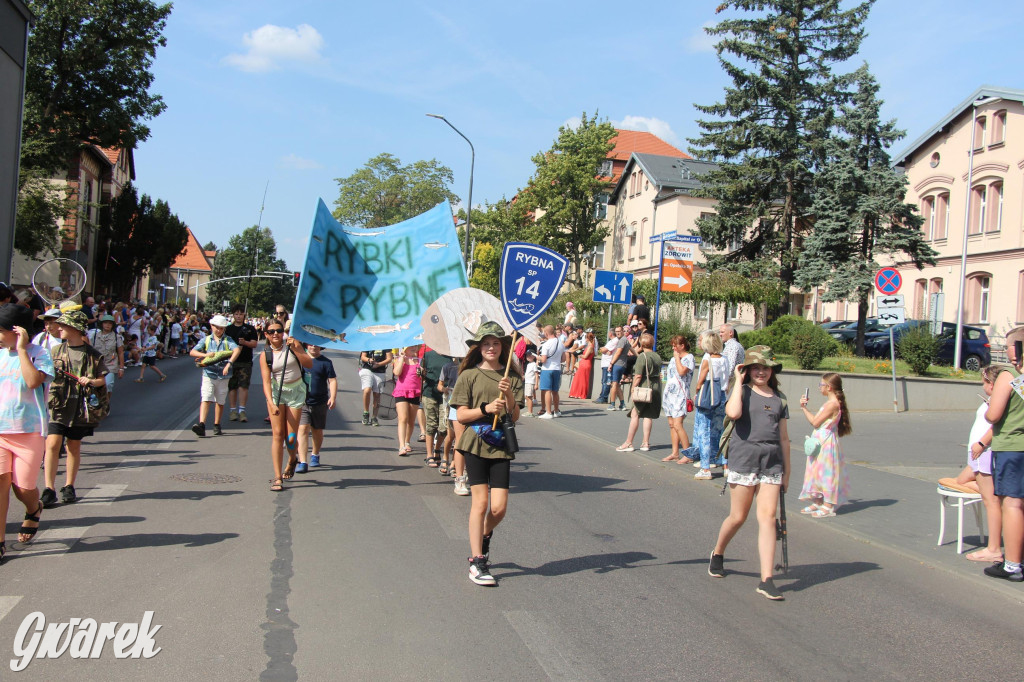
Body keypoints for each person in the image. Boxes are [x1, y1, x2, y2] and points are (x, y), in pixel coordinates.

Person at [708, 346, 791, 601]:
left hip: (771, 462)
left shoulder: (779, 398)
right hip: (743, 458)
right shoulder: (742, 392)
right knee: (738, 517)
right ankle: (718, 552)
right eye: (756, 367)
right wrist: (737, 379)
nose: (762, 372)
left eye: (766, 368)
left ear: (772, 371)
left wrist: (787, 472)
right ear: (748, 370)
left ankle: (766, 579)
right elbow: (733, 413)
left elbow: (785, 439)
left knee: (767, 518)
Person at [449, 321, 523, 586]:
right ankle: (477, 561)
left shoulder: (512, 377)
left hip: (501, 444)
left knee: (499, 508)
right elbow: (461, 415)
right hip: (475, 443)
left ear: (503, 347)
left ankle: (483, 534)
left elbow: (515, 415)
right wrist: (486, 408)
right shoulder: (468, 375)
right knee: (479, 503)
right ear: (478, 348)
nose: (491, 348)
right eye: (486, 344)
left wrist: (509, 398)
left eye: (495, 343)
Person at [0, 304, 54, 554]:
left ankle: (33, 509)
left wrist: (22, 350)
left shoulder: (38, 353)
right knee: (1, 485)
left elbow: (33, 382)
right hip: (1, 431)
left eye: (1, 331)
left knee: (22, 487)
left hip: (29, 431)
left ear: (18, 331)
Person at [41, 310, 109, 507]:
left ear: (75, 328)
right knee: (52, 445)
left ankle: (69, 485)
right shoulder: (55, 352)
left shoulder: (93, 355)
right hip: (58, 406)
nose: (59, 328)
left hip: (80, 408)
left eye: (63, 325)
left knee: (73, 446)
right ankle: (49, 488)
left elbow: (101, 380)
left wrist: (91, 381)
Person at [947, 365, 1003, 562]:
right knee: (961, 482)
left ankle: (994, 548)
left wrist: (981, 443)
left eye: (984, 382)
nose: (983, 386)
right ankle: (988, 491)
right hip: (978, 454)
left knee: (991, 501)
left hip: (984, 452)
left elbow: (996, 426)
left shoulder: (1000, 400)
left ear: (991, 383)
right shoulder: (992, 400)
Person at [980, 357, 1024, 582]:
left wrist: (989, 411)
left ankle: (1013, 565)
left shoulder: (1010, 374)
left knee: (1012, 504)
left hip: (1012, 446)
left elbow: (994, 414)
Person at [260, 321, 313, 491]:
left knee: (291, 438)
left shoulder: (293, 344)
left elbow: (309, 364)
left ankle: (292, 459)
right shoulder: (266, 354)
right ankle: (277, 477)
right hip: (277, 393)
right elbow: (266, 382)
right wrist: (270, 402)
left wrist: (297, 350)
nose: (275, 334)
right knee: (278, 434)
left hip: (296, 391)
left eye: (278, 330)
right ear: (266, 334)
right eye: (271, 331)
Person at [798, 373, 852, 518]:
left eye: (821, 385)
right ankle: (818, 500)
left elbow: (815, 422)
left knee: (827, 472)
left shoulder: (832, 404)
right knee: (816, 470)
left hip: (826, 443)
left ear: (829, 387)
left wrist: (803, 408)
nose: (819, 388)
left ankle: (828, 505)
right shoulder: (830, 403)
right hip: (821, 441)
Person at [683, 330, 728, 480]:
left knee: (704, 432)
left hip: (708, 397)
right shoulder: (724, 359)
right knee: (721, 431)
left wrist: (696, 391)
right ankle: (726, 465)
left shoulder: (707, 359)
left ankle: (705, 468)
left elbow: (701, 380)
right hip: (722, 396)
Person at [189, 314, 242, 437]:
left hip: (223, 374)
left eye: (221, 328)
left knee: (220, 400)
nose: (218, 330)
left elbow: (237, 350)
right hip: (209, 372)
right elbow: (193, 352)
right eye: (216, 327)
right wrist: (205, 355)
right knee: (206, 398)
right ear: (212, 326)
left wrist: (229, 363)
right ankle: (202, 424)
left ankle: (217, 424)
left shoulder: (228, 340)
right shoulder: (206, 340)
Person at [616, 333, 662, 452]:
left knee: (635, 414)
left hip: (643, 386)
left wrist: (633, 388)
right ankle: (645, 443)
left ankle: (629, 442)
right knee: (648, 415)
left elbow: (638, 375)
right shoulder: (657, 356)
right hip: (655, 386)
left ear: (641, 343)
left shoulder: (643, 356)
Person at [296, 344, 337, 471]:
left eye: (316, 345)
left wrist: (333, 397)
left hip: (320, 401)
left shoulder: (326, 362)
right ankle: (303, 461)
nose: (313, 347)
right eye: (311, 344)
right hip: (302, 401)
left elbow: (332, 380)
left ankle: (315, 454)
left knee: (317, 430)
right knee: (303, 429)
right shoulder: (300, 360)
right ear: (306, 345)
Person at [661, 335, 694, 462]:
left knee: (678, 424)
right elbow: (668, 375)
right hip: (670, 394)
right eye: (672, 345)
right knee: (671, 424)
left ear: (682, 346)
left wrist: (676, 359)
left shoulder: (688, 358)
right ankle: (675, 452)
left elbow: (681, 372)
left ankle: (688, 454)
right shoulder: (672, 359)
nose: (673, 348)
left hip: (680, 395)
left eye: (675, 345)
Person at [226, 305, 259, 423]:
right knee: (232, 386)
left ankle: (242, 410)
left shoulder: (250, 328)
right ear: (233, 315)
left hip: (245, 361)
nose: (238, 316)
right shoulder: (228, 329)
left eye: (241, 314)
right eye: (236, 314)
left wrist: (245, 342)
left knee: (243, 386)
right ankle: (232, 410)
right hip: (232, 361)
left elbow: (254, 344)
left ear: (244, 315)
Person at [392, 346, 423, 456]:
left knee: (411, 420)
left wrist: (422, 372)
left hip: (415, 392)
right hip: (401, 391)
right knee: (403, 418)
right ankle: (401, 446)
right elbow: (397, 372)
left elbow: (422, 377)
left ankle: (407, 441)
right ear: (404, 349)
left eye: (415, 347)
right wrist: (401, 359)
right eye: (411, 347)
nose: (414, 349)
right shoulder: (399, 360)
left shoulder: (419, 361)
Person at [88, 315, 125, 395]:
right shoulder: (94, 336)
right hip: (97, 364)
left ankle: (106, 403)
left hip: (110, 364)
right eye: (105, 323)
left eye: (110, 323)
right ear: (102, 324)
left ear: (112, 325)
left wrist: (121, 368)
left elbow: (120, 352)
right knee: (95, 386)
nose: (107, 325)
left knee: (108, 385)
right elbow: (90, 350)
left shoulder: (116, 337)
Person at [536, 325, 565, 419]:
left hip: (547, 369)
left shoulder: (546, 344)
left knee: (547, 391)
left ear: (546, 333)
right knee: (555, 391)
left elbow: (543, 360)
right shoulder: (560, 343)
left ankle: (548, 412)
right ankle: (556, 411)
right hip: (557, 369)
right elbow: (563, 358)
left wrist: (537, 357)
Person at [358, 349, 391, 426]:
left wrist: (379, 364)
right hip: (367, 369)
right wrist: (369, 360)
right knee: (367, 390)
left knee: (377, 395)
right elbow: (363, 356)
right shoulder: (368, 341)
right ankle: (366, 413)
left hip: (380, 371)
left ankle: (374, 417)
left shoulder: (386, 343)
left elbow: (389, 358)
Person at [569, 331, 596, 399]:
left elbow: (585, 356)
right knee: (579, 378)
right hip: (584, 363)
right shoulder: (590, 346)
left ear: (588, 338)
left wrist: (580, 355)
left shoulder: (590, 347)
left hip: (585, 363)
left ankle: (580, 394)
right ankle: (577, 393)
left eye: (586, 338)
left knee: (582, 379)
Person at [595, 328, 619, 404]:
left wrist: (603, 350)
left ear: (610, 334)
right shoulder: (611, 341)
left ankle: (603, 397)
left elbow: (603, 350)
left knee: (606, 381)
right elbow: (603, 350)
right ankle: (602, 396)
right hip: (605, 363)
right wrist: (603, 350)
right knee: (604, 381)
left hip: (608, 364)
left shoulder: (615, 341)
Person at [522, 351, 538, 417]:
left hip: (530, 382)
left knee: (529, 397)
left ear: (533, 356)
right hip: (527, 382)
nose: (528, 357)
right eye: (527, 355)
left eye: (529, 355)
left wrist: (536, 384)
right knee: (526, 396)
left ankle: (530, 412)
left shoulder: (534, 364)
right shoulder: (528, 364)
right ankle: (529, 411)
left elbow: (536, 374)